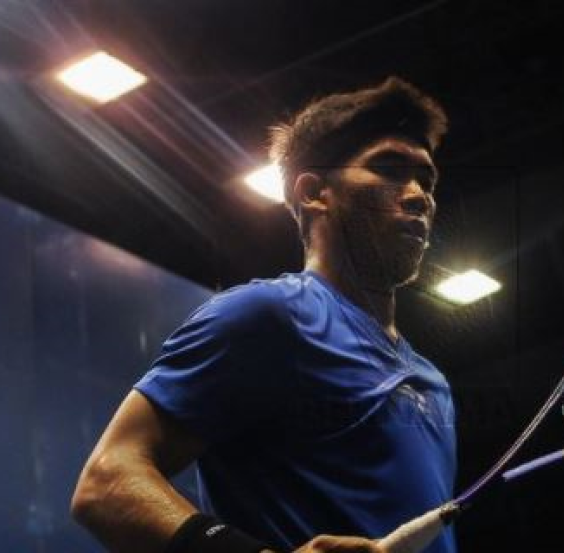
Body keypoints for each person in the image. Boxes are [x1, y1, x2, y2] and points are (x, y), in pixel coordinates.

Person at [71, 77, 457, 553]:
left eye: (427, 180)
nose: (419, 196)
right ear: (314, 192)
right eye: (389, 169)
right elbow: (106, 483)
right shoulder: (270, 316)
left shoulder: (432, 381)